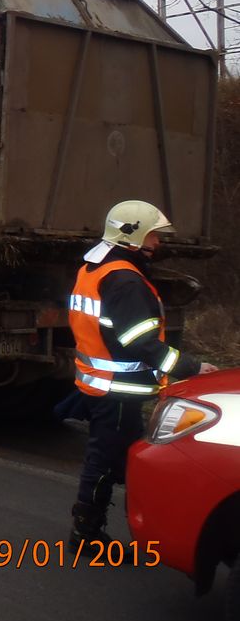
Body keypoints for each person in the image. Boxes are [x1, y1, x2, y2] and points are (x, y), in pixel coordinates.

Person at [66, 199, 217, 553]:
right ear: (132, 237)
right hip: (118, 392)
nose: (158, 244)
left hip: (101, 384)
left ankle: (130, 529)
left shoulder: (96, 266)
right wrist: (192, 368)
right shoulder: (125, 280)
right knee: (106, 461)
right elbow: (141, 344)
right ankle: (86, 536)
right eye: (153, 236)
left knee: (124, 459)